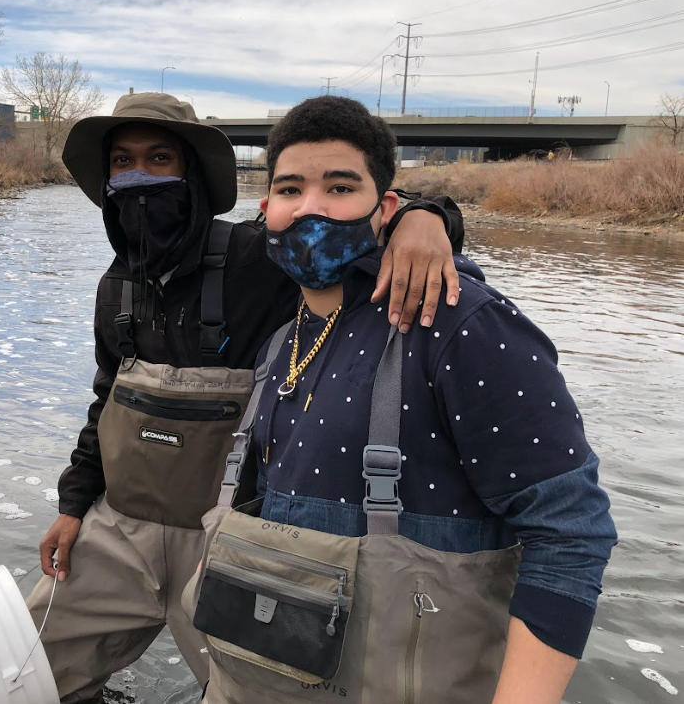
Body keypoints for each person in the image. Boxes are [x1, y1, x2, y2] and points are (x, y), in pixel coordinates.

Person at [26, 92, 468, 703]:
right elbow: (105, 400)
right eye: (122, 161)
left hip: (229, 539)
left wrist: (427, 219)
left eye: (160, 159)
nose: (139, 177)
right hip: (116, 524)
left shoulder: (260, 257)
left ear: (195, 177)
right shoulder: (114, 288)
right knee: (23, 667)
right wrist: (74, 505)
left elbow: (342, 223)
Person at [187, 95, 617, 704]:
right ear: (266, 211)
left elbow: (571, 532)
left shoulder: (461, 325)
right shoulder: (280, 344)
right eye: (290, 190)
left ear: (386, 207)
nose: (310, 208)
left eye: (340, 187)